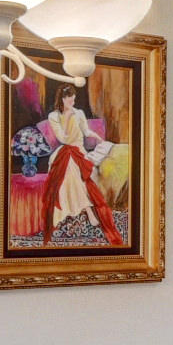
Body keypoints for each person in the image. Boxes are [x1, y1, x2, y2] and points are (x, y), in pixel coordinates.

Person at [41, 85, 122, 243]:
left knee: (74, 166)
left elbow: (85, 131)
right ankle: (88, 210)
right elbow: (63, 138)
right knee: (70, 166)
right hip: (65, 150)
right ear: (62, 99)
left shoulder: (79, 113)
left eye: (73, 99)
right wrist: (68, 118)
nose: (72, 102)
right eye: (69, 99)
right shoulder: (54, 116)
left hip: (79, 150)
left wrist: (98, 137)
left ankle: (87, 210)